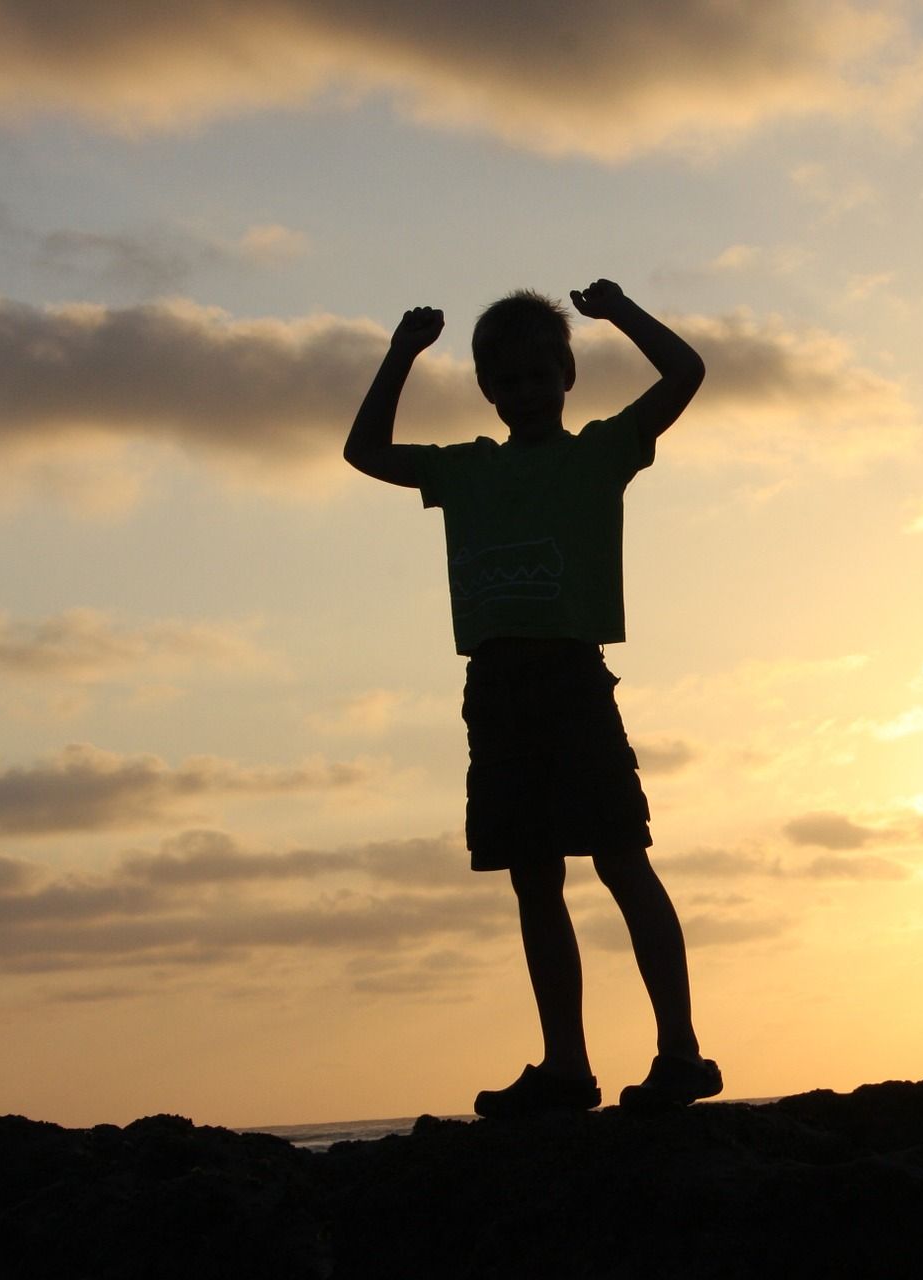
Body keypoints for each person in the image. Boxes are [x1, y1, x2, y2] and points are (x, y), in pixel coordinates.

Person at [343, 279, 718, 1116]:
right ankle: (566, 1069)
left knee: (622, 861)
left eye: (537, 377)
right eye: (506, 382)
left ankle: (682, 1053)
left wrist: (619, 312)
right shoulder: (464, 470)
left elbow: (686, 371)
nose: (522, 394)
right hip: (498, 690)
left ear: (566, 377)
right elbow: (364, 452)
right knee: (534, 881)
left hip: (573, 679)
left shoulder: (598, 453)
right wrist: (400, 355)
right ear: (485, 389)